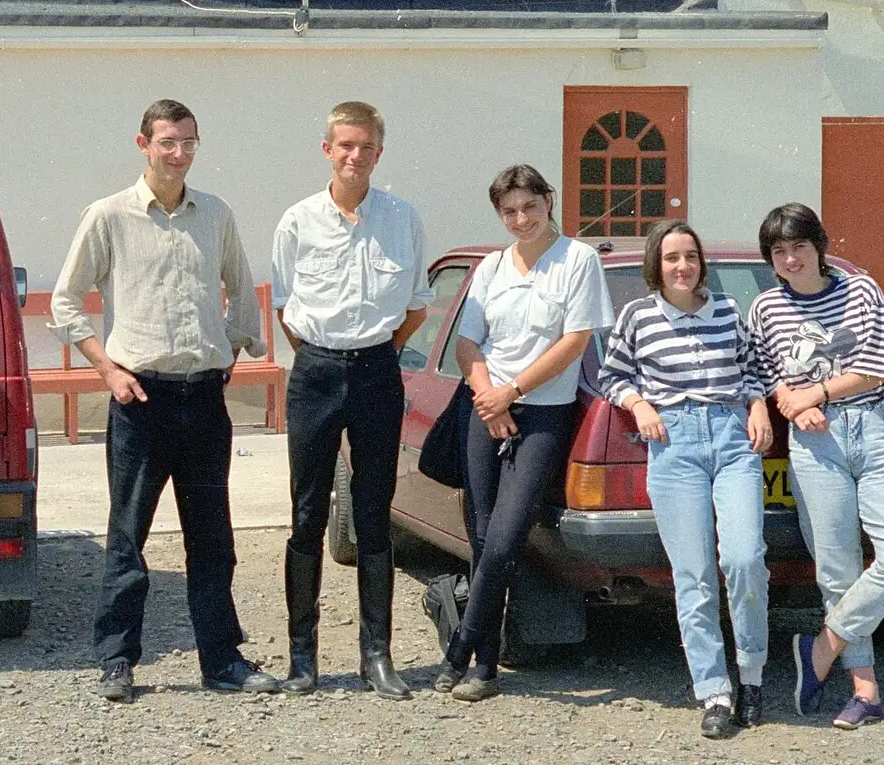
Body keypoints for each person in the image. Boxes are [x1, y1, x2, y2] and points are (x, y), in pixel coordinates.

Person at [49, 98, 279, 702]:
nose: (179, 155)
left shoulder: (216, 214)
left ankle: (223, 661)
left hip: (203, 399)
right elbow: (65, 302)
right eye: (168, 143)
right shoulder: (108, 217)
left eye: (189, 143)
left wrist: (226, 351)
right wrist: (106, 369)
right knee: (128, 537)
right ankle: (117, 661)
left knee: (213, 539)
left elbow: (242, 293)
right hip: (140, 399)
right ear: (143, 144)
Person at [270, 101, 431, 700]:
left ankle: (377, 655)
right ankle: (302, 658)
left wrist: (372, 354)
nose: (354, 156)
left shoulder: (402, 219)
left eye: (365, 146)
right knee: (307, 512)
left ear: (378, 153)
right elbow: (285, 306)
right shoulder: (298, 221)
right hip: (314, 371)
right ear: (327, 150)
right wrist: (323, 354)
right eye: (344, 145)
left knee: (373, 514)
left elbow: (415, 305)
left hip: (376, 372)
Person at [746, 202, 884, 730]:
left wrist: (814, 394)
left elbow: (876, 367)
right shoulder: (765, 310)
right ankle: (865, 690)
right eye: (778, 251)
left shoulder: (861, 290)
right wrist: (791, 404)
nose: (790, 258)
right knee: (837, 571)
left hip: (873, 428)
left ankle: (819, 648)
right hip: (814, 448)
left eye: (799, 246)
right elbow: (763, 375)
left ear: (818, 246)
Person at [435, 165, 612, 702]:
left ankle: (460, 649)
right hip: (483, 408)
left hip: (541, 413)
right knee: (483, 536)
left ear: (548, 201)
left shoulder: (577, 259)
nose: (521, 220)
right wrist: (489, 400)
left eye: (529, 207)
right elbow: (468, 342)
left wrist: (510, 394)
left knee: (508, 537)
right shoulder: (491, 265)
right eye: (509, 212)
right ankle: (484, 668)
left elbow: (575, 340)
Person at [598, 220, 772, 738]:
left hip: (732, 438)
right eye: (671, 257)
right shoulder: (637, 317)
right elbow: (613, 377)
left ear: (701, 262)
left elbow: (751, 370)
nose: (682, 266)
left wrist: (758, 407)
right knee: (693, 575)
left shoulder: (727, 310)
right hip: (673, 446)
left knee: (744, 558)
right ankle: (714, 692)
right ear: (657, 263)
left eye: (690, 256)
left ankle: (753, 675)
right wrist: (639, 404)